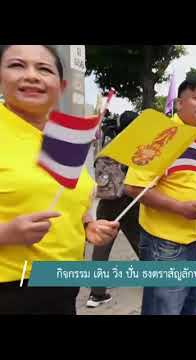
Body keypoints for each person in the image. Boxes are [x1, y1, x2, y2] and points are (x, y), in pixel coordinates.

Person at [0, 45, 119, 314]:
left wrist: (88, 224)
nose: (32, 76)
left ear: (61, 85)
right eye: (17, 65)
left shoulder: (64, 136)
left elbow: (69, 198)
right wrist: (6, 233)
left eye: (44, 69)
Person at [124, 75, 196, 315]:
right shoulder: (160, 133)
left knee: (192, 309)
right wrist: (180, 208)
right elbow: (134, 188)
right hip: (167, 245)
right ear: (180, 103)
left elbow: (189, 177)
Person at [86, 111, 141, 308]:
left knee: (101, 247)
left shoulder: (109, 142)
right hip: (128, 201)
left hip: (106, 203)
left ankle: (97, 293)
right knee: (141, 241)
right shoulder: (132, 144)